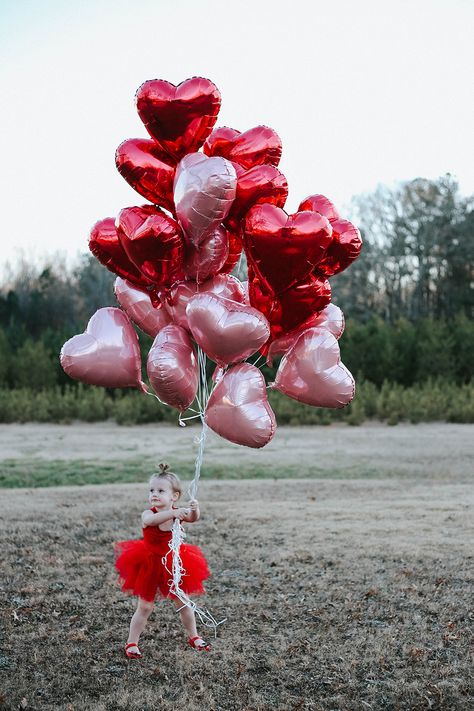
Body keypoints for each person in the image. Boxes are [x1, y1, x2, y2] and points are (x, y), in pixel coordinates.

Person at [114, 463, 211, 658]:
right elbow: (151, 522)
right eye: (151, 490)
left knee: (184, 602)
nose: (154, 494)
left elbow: (192, 518)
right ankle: (132, 642)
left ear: (174, 496)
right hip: (150, 564)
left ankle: (194, 636)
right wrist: (174, 513)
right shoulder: (149, 514)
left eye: (160, 490)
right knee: (145, 606)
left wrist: (194, 509)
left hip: (174, 564)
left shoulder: (177, 512)